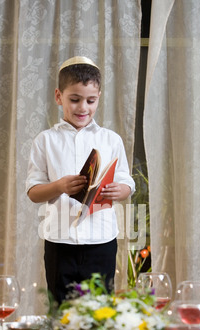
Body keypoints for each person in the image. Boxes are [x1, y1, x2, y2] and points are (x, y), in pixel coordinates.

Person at [26, 56, 135, 304]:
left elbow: (126, 182)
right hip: (59, 241)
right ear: (58, 96)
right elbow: (33, 192)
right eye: (74, 100)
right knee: (61, 310)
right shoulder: (45, 140)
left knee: (99, 311)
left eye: (91, 100)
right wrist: (60, 186)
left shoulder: (111, 139)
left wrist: (122, 190)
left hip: (102, 240)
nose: (83, 107)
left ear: (98, 98)